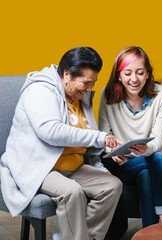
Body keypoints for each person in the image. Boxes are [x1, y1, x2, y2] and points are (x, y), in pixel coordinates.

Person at [0, 47, 123, 240]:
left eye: (93, 82)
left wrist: (109, 149)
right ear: (67, 75)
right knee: (71, 191)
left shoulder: (80, 96)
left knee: (111, 186)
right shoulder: (40, 90)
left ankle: (83, 237)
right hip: (41, 168)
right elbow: (51, 131)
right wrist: (100, 137)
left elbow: (85, 135)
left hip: (72, 165)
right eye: (86, 82)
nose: (90, 88)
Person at [98, 46, 162, 228]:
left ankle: (156, 229)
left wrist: (147, 149)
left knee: (153, 165)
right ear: (118, 75)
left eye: (140, 72)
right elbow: (104, 135)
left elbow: (158, 141)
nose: (134, 79)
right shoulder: (107, 94)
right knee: (147, 168)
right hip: (127, 163)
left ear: (148, 74)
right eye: (127, 73)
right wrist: (112, 150)